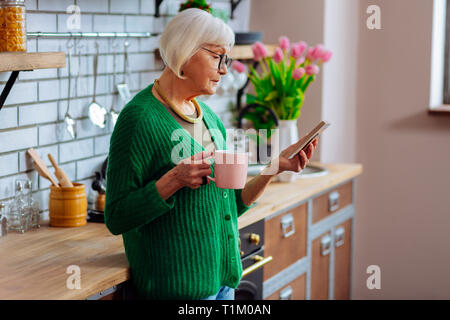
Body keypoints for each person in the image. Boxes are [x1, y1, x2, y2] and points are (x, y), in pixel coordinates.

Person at [104, 8, 318, 300]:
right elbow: (116, 217)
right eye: (218, 57)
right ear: (186, 52)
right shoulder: (139, 119)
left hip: (222, 282)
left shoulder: (210, 119)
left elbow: (231, 203)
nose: (224, 69)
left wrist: (274, 167)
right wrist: (174, 180)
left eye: (226, 59)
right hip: (178, 290)